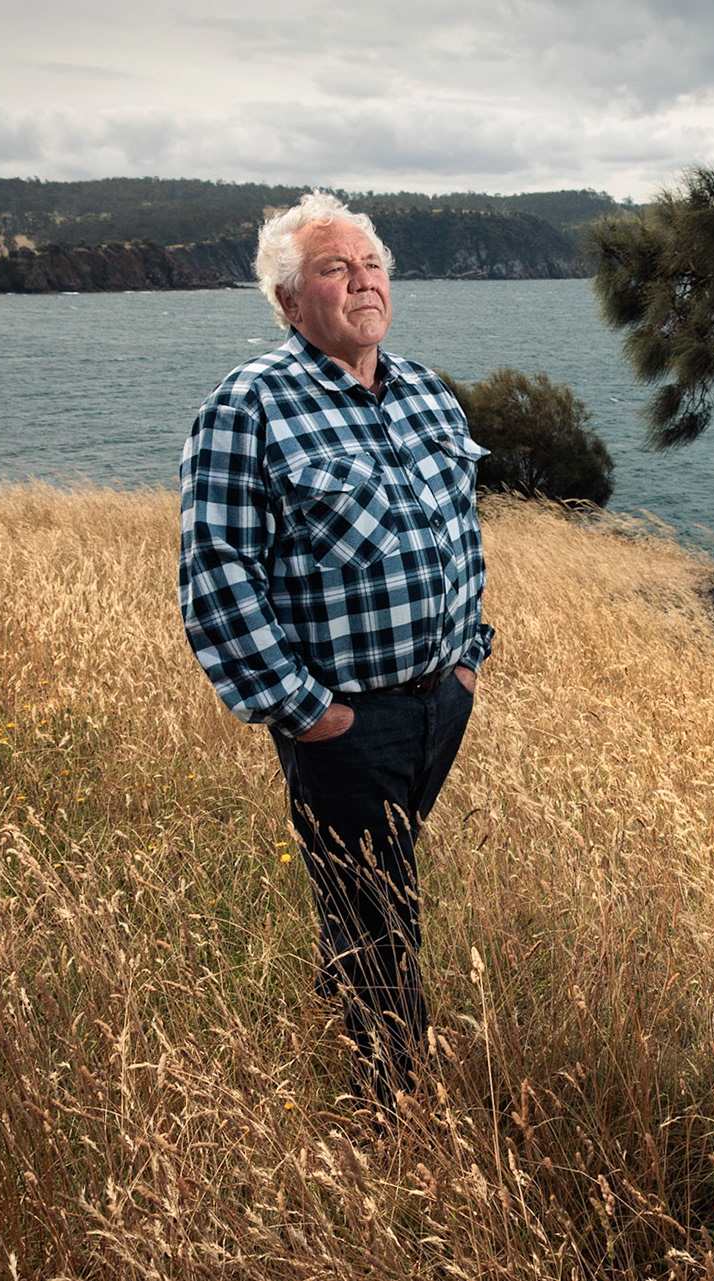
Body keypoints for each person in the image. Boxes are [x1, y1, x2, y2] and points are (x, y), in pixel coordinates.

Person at [179, 192, 491, 1108]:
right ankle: (391, 1110)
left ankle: (342, 997)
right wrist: (310, 713)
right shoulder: (248, 407)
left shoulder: (427, 391)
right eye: (334, 268)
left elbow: (463, 534)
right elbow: (218, 574)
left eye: (372, 265)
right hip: (346, 720)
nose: (362, 282)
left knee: (368, 885)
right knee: (384, 912)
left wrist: (468, 660)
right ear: (288, 300)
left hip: (441, 703)